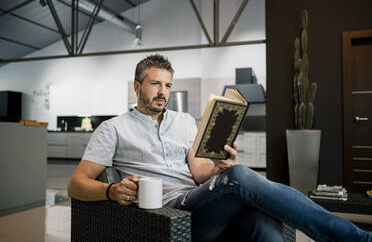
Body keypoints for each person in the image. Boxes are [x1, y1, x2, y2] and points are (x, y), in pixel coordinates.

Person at [68, 54, 372, 242]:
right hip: (167, 216)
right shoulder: (114, 128)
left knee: (260, 218)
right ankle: (355, 240)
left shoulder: (185, 121)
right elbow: (76, 184)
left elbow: (200, 173)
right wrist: (110, 191)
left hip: (199, 202)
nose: (163, 92)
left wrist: (219, 167)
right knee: (241, 179)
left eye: (168, 86)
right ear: (137, 87)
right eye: (155, 84)